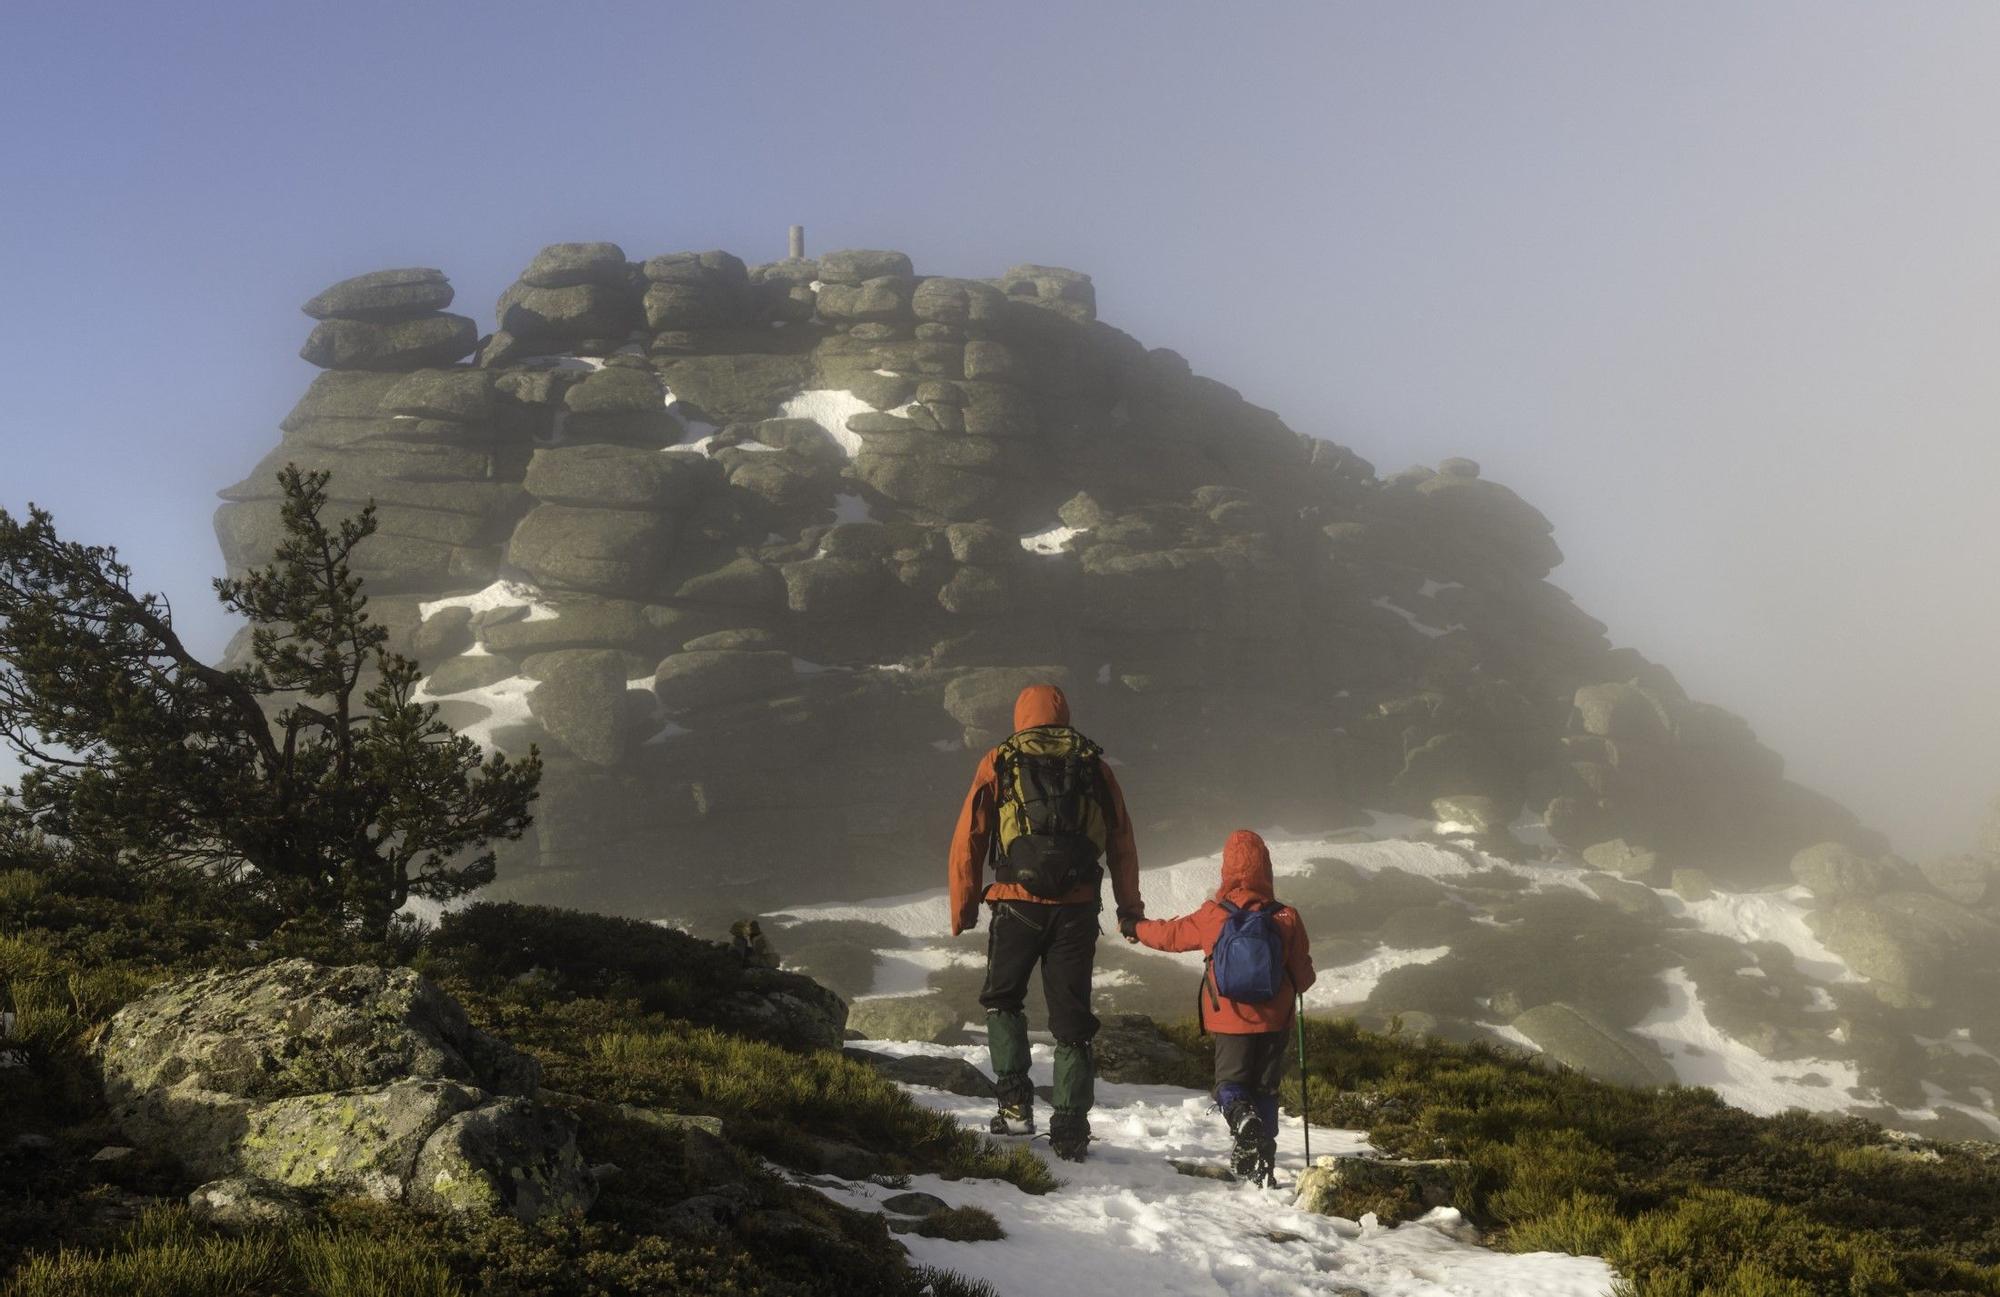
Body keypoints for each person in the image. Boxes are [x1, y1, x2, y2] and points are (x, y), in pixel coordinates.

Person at [949, 684, 1143, 1162]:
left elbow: (970, 836)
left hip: (1016, 902)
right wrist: (1129, 908)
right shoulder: (1092, 764)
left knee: (1003, 999)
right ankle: (1072, 1129)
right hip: (1076, 908)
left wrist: (965, 907)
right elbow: (1121, 840)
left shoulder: (1001, 759)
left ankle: (1015, 1107)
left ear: (1021, 716)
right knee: (1072, 1021)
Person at [1127, 829, 1315, 1183]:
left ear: (1227, 870)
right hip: (1276, 1022)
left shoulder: (1215, 914)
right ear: (1266, 869)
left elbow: (1169, 935)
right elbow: (1303, 977)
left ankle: (1244, 1122)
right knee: (1266, 1089)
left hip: (1230, 1021)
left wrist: (1134, 927)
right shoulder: (1286, 917)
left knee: (1230, 1085)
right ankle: (1264, 1166)